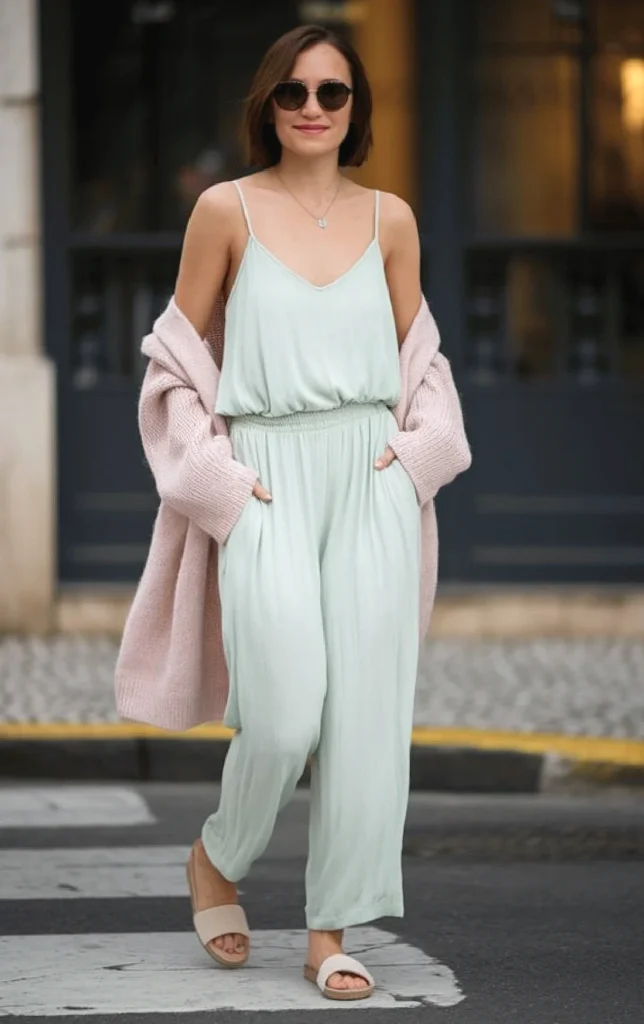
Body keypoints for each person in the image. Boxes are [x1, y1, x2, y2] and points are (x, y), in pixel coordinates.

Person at [115, 23, 471, 1003]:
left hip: (369, 477)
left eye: (332, 93)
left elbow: (421, 365)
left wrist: (414, 464)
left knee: (362, 718)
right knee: (279, 712)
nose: (312, 109)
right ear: (266, 105)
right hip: (264, 478)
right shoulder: (223, 212)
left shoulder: (390, 219)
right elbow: (176, 367)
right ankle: (217, 854)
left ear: (355, 108)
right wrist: (217, 482)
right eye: (293, 94)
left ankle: (327, 930)